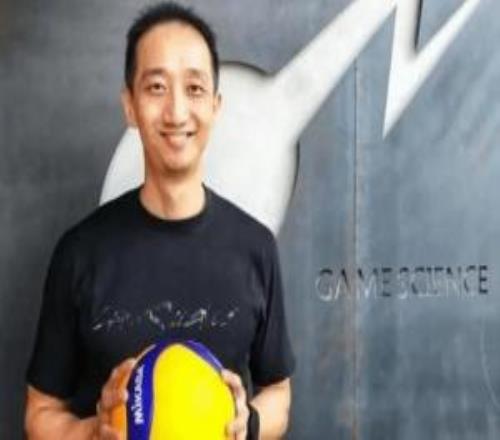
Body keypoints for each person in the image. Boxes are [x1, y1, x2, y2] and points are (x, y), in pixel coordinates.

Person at [24, 2, 295, 439]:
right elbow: (39, 413)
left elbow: (279, 392)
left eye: (194, 88)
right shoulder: (80, 252)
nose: (176, 112)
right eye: (156, 87)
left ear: (216, 106)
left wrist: (250, 423)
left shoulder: (255, 247)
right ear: (130, 106)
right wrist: (94, 431)